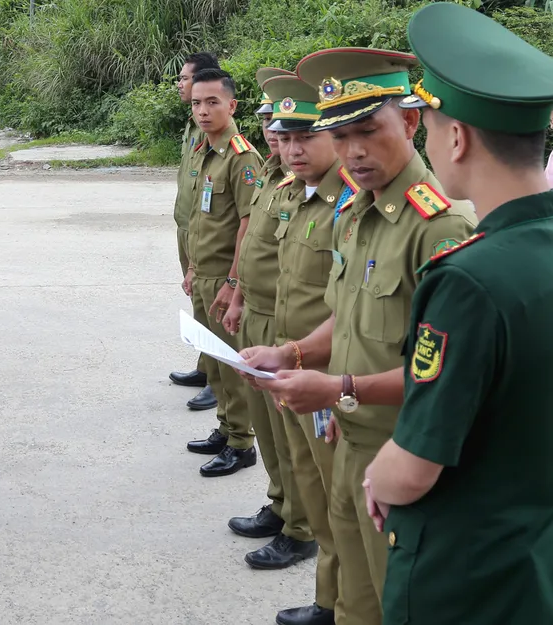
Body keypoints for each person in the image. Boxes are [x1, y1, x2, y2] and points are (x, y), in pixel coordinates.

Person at [242, 48, 477, 625]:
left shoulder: (440, 229)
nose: (354, 152)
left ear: (412, 122)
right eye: (341, 137)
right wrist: (293, 352)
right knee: (354, 602)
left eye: (368, 131)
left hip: (402, 456)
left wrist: (337, 386)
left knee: (399, 604)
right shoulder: (358, 212)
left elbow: (450, 376)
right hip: (347, 439)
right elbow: (346, 318)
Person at [364, 4, 553, 623]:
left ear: (457, 136)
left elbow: (414, 469)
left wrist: (378, 476)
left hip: (471, 577)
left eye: (429, 123)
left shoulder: (470, 279)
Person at [253, 73, 349, 625]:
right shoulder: (299, 194)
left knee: (335, 500)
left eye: (305, 137)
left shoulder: (349, 205)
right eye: (285, 137)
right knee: (308, 483)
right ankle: (328, 599)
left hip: (329, 379)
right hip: (294, 366)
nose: (291, 148)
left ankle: (337, 602)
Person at [223, 67, 317, 572]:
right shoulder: (279, 183)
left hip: (296, 335)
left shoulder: (328, 196)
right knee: (269, 432)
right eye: (280, 134)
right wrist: (237, 295)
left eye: (297, 135)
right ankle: (281, 505)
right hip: (260, 317)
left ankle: (300, 529)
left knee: (294, 439)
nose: (280, 142)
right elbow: (256, 247)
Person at [183, 67, 263, 477]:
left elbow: (249, 224)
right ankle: (225, 428)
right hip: (204, 275)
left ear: (232, 105)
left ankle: (241, 443)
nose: (203, 110)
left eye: (212, 102)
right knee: (212, 364)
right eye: (197, 102)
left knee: (231, 368)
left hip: (225, 279)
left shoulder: (242, 157)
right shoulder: (203, 150)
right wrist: (193, 268)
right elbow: (201, 218)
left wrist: (234, 283)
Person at [169, 51, 221, 414]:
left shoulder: (217, 132)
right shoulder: (192, 125)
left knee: (211, 307)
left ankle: (220, 383)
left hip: (206, 232)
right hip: (187, 226)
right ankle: (206, 368)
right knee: (197, 301)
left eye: (184, 78)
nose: (180, 85)